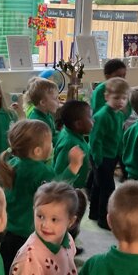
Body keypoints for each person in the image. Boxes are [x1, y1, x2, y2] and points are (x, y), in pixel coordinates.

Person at [0, 119, 83, 275]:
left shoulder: (12, 162)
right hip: (27, 238)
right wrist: (73, 167)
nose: (52, 146)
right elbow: (56, 192)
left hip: (9, 235)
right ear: (36, 150)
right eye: (50, 142)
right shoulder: (38, 170)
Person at [89, 77, 130, 230]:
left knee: (98, 185)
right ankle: (103, 219)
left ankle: (94, 213)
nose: (121, 101)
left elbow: (118, 136)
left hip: (112, 155)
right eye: (116, 98)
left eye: (124, 98)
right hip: (101, 156)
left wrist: (120, 153)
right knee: (108, 188)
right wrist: (98, 159)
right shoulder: (101, 116)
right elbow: (95, 139)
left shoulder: (119, 115)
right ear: (107, 97)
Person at [53, 100, 92, 246]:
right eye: (90, 117)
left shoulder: (74, 135)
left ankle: (69, 241)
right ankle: (65, 244)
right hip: (68, 192)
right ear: (78, 124)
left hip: (75, 187)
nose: (93, 121)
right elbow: (58, 176)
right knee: (70, 221)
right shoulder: (69, 143)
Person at [25, 77, 60, 145]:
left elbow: (53, 133)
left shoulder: (46, 113)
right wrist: (63, 137)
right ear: (43, 102)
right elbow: (48, 142)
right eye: (55, 98)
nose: (58, 101)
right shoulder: (38, 122)